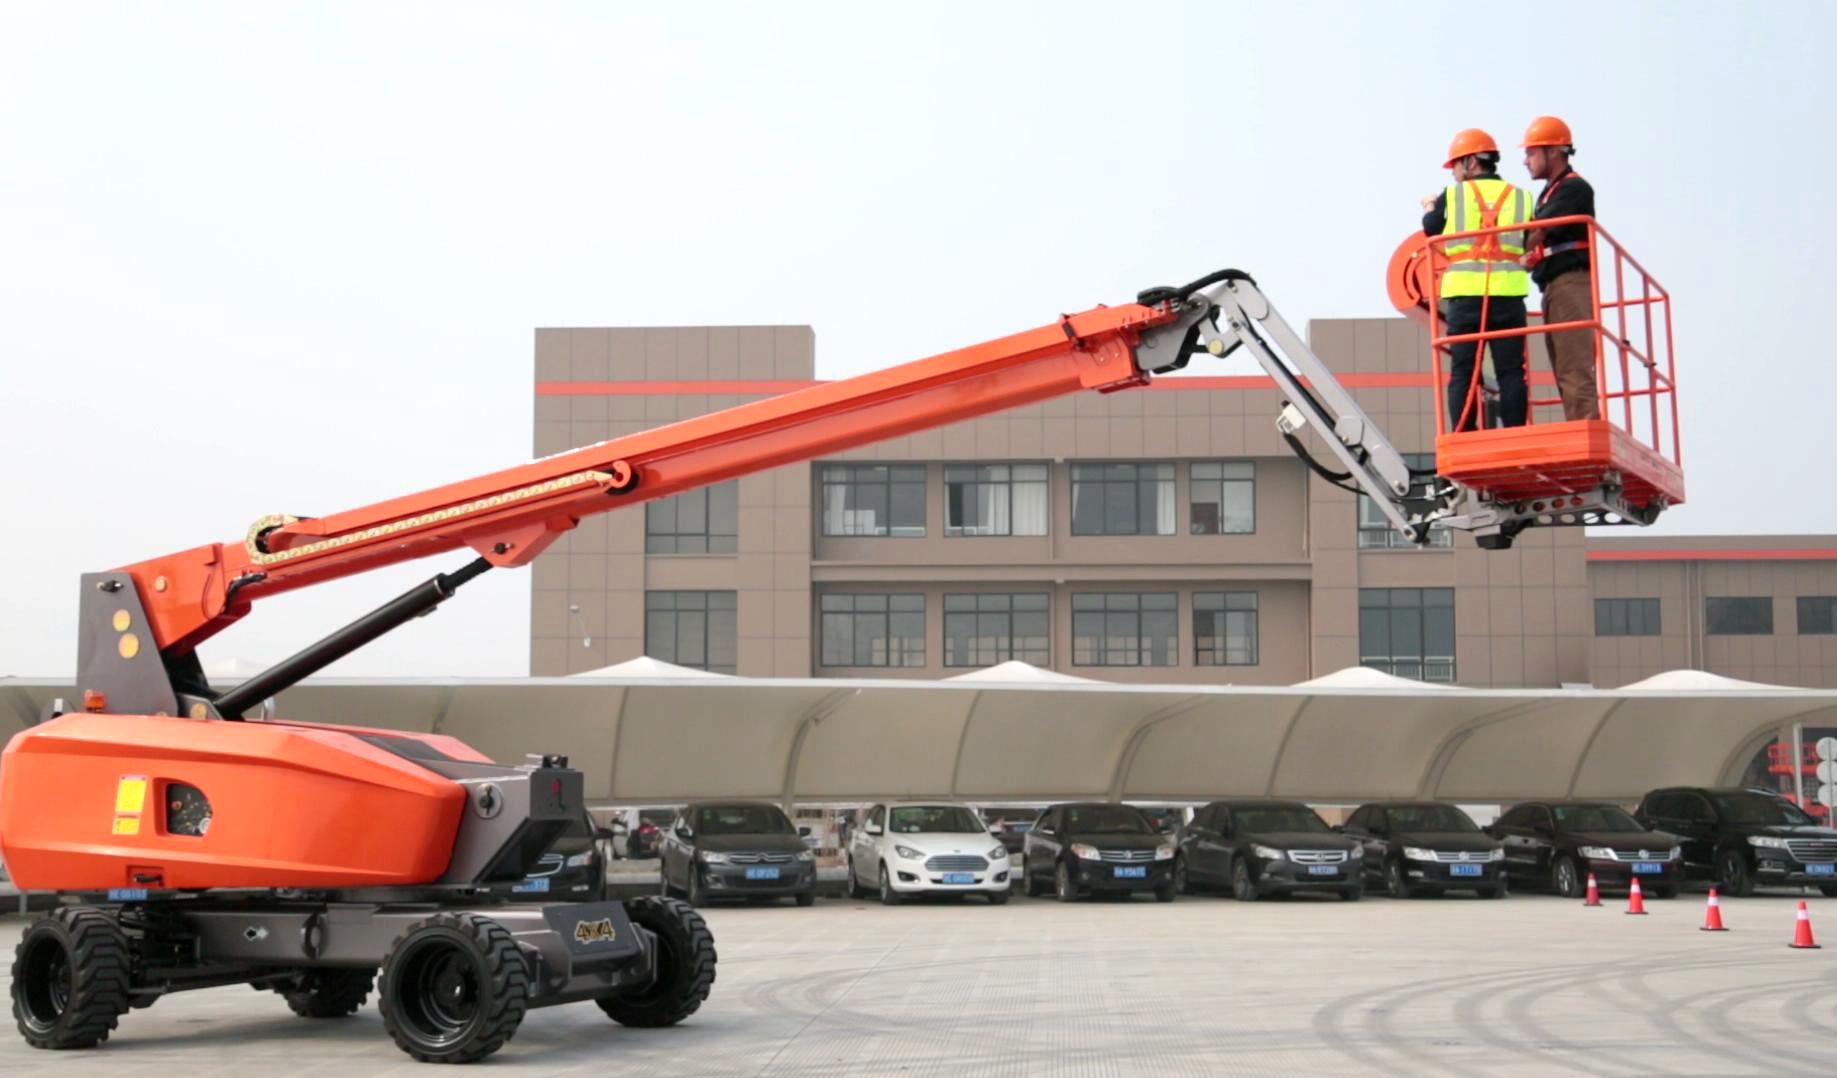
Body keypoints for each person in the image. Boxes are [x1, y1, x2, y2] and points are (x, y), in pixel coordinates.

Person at [1421, 128, 1533, 432]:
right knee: (1512, 371)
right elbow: (1529, 239)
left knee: (1464, 371)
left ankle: (1463, 434)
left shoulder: (1452, 196)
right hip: (1508, 296)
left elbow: (1431, 228)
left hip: (1466, 295)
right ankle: (1515, 432)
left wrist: (1429, 206)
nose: (1453, 173)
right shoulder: (1521, 197)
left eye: (1455, 166)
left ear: (1470, 162)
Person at [1521, 115, 1600, 420]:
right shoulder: (1551, 192)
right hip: (1556, 286)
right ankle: (1579, 426)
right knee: (1564, 367)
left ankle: (1586, 430)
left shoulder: (1574, 188)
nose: (1526, 161)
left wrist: (1515, 244)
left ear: (1553, 151)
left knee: (1574, 368)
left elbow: (1536, 232)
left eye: (1531, 152)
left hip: (1570, 285)